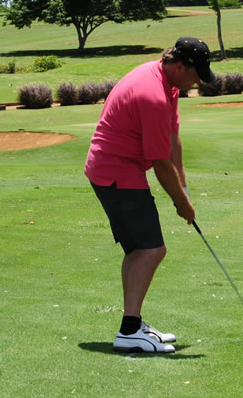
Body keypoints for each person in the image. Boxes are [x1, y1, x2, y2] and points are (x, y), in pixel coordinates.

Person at [84, 37, 215, 353]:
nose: (198, 82)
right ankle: (129, 331)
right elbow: (159, 163)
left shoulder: (167, 84)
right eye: (196, 74)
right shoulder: (153, 94)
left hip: (116, 169)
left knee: (138, 250)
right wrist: (182, 204)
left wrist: (184, 187)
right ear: (180, 66)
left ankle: (133, 323)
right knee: (152, 250)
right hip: (116, 172)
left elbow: (172, 138)